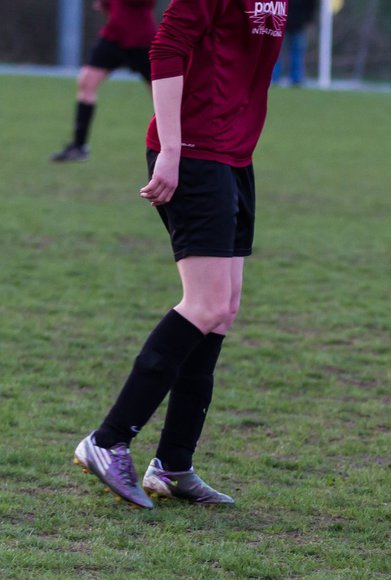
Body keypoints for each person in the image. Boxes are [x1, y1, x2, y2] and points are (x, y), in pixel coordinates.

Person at [73, 0, 287, 508]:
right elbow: (166, 48)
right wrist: (170, 149)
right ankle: (107, 441)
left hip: (233, 155)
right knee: (205, 304)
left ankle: (172, 465)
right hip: (192, 153)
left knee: (222, 312)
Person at [51, 0, 157, 163]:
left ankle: (176, 146)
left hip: (141, 39)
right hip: (113, 37)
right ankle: (79, 147)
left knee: (162, 96)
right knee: (86, 82)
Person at [273, 0, 317, 86]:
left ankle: (296, 79)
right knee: (276, 52)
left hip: (297, 25)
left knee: (296, 53)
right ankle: (274, 78)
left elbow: (311, 6)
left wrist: (306, 19)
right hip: (280, 22)